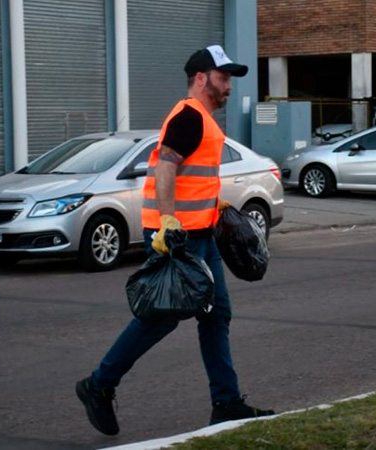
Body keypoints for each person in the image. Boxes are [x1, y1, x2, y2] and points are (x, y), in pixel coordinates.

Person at [76, 45, 275, 436]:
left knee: (216, 316)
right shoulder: (189, 116)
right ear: (201, 79)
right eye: (223, 78)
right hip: (175, 235)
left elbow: (192, 178)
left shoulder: (204, 120)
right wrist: (168, 222)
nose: (229, 86)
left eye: (230, 79)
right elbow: (167, 166)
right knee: (161, 317)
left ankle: (226, 403)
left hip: (199, 233)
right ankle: (99, 385)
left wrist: (220, 211)